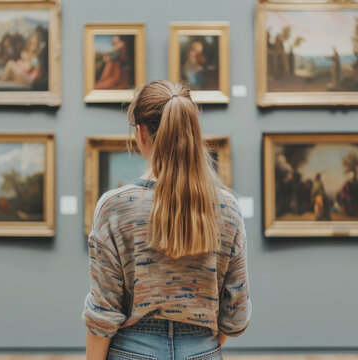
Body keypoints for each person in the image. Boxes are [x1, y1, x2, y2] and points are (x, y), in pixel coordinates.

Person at [83, 80, 251, 359]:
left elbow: (103, 313)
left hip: (132, 350)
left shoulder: (114, 207)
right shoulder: (227, 208)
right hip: (202, 350)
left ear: (141, 133)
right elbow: (236, 311)